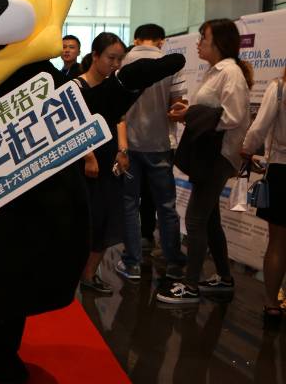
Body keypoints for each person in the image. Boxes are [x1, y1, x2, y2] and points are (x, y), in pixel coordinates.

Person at [157, 18, 252, 304]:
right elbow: (212, 110)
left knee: (196, 220)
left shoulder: (230, 73)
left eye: (203, 39)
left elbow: (233, 116)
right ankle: (224, 277)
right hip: (210, 155)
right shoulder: (217, 71)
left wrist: (189, 114)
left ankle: (190, 285)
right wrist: (188, 110)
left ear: (219, 43)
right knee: (209, 219)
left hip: (218, 156)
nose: (198, 44)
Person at [117, 24, 187, 281]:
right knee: (166, 206)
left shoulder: (121, 62)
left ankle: (132, 263)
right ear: (161, 41)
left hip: (128, 146)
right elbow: (178, 106)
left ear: (137, 39)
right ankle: (173, 263)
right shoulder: (170, 64)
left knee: (129, 204)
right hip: (160, 145)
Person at [75, 32, 130, 294]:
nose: (116, 64)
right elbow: (72, 126)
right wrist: (88, 156)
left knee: (106, 220)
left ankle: (89, 275)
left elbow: (120, 119)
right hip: (84, 164)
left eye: (120, 59)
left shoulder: (113, 86)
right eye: (111, 58)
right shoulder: (76, 87)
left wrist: (123, 150)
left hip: (109, 162)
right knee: (84, 221)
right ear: (95, 56)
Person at [240, 69, 286, 327]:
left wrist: (246, 150)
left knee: (277, 242)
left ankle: (272, 305)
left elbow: (259, 127)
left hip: (282, 170)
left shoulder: (279, 88)